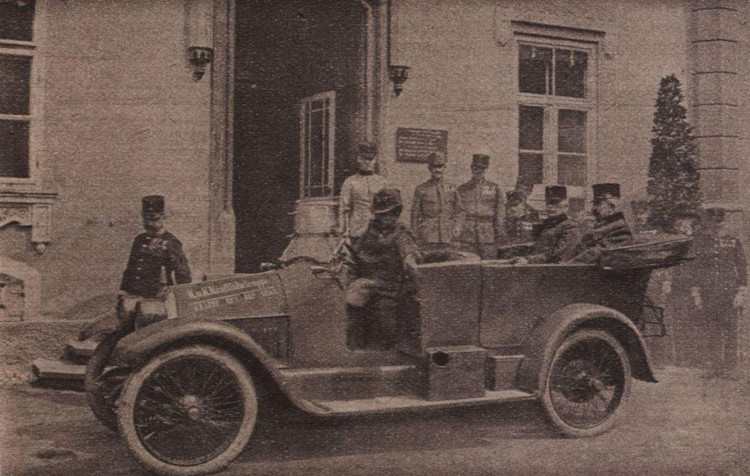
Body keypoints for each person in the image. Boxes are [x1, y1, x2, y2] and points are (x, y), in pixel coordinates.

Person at [346, 189, 422, 350]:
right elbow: (357, 254)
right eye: (380, 214)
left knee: (384, 322)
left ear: (396, 212)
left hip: (390, 289)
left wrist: (410, 260)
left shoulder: (401, 232)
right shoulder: (371, 230)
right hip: (367, 285)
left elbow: (410, 253)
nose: (384, 217)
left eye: (389, 213)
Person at [694, 207, 747, 379]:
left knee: (730, 330)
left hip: (728, 292)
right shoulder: (702, 242)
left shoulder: (733, 241)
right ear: (709, 223)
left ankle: (730, 368)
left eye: (719, 222)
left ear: (723, 222)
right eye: (713, 222)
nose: (716, 226)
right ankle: (715, 367)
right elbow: (697, 268)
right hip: (708, 292)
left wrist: (741, 293)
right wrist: (697, 294)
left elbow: (741, 268)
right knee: (712, 329)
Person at [120, 195, 192, 299]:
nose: (149, 223)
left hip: (157, 297)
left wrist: (179, 298)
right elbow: (131, 268)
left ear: (163, 217)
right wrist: (123, 291)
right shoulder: (139, 240)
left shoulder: (171, 242)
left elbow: (183, 274)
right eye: (146, 218)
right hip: (134, 295)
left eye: (154, 219)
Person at [514, 185, 580, 264]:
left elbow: (558, 253)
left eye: (555, 204)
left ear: (566, 207)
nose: (550, 207)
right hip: (540, 265)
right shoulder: (547, 224)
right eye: (548, 204)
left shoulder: (570, 227)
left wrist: (529, 260)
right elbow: (535, 246)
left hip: (555, 269)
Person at [338, 142, 387, 244]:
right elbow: (344, 208)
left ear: (375, 160)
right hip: (357, 230)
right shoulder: (350, 182)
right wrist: (344, 231)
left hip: (378, 231)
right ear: (359, 159)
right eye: (364, 159)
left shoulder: (382, 181)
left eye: (371, 159)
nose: (367, 162)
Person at [410, 151, 459, 253]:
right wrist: (416, 235)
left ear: (445, 167)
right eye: (434, 167)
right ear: (429, 168)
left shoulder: (452, 188)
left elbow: (460, 211)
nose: (438, 170)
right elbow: (414, 215)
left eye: (440, 166)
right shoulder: (421, 189)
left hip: (448, 237)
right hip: (428, 238)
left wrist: (457, 227)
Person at [457, 154, 504, 259]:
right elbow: (457, 212)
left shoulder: (494, 188)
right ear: (471, 168)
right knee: (467, 263)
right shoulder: (462, 189)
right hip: (468, 234)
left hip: (487, 233)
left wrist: (499, 231)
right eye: (475, 167)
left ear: (486, 169)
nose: (478, 170)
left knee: (489, 262)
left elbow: (500, 211)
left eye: (481, 168)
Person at [574, 183, 634, 263]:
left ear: (611, 207)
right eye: (593, 204)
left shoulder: (620, 229)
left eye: (598, 204)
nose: (593, 209)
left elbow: (596, 254)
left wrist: (567, 265)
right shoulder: (601, 226)